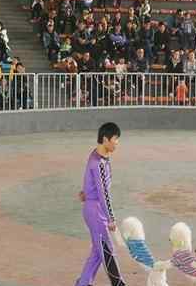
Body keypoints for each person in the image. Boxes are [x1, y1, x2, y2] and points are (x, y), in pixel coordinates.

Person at [75, 122, 127, 286]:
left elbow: (90, 180)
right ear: (106, 139)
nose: (117, 142)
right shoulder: (100, 164)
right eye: (115, 139)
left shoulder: (95, 155)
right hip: (97, 211)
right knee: (108, 251)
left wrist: (86, 192)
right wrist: (111, 217)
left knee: (98, 251)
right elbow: (104, 193)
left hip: (91, 208)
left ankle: (83, 282)